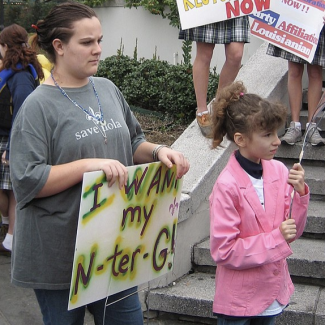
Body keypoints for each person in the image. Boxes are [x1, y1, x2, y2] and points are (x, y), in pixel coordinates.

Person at [9, 2, 189, 325]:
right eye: (87, 42)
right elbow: (28, 179)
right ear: (59, 47)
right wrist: (88, 165)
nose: (98, 50)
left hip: (112, 250)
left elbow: (133, 141)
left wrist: (160, 151)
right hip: (57, 258)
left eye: (100, 40)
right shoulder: (36, 107)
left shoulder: (107, 89)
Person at [209, 81, 309, 324]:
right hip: (238, 303)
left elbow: (291, 231)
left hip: (272, 295)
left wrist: (300, 194)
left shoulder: (278, 171)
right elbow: (224, 250)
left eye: (276, 132)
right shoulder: (227, 185)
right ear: (241, 139)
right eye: (267, 135)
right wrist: (276, 238)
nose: (277, 141)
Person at [0, 24, 44, 254]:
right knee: (9, 189)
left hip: (10, 138)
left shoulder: (20, 74)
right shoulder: (20, 71)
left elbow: (22, 110)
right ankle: (10, 232)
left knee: (14, 190)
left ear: (5, 46)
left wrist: (12, 146)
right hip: (8, 137)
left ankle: (12, 236)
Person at [179, 17, 250, 137]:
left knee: (236, 55)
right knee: (205, 53)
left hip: (234, 5)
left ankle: (219, 106)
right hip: (208, 6)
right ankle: (202, 111)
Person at [267, 23, 325, 146]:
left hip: (318, 17)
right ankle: (295, 126)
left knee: (315, 71)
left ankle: (312, 125)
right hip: (297, 18)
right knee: (294, 71)